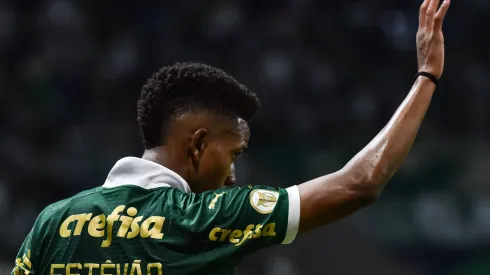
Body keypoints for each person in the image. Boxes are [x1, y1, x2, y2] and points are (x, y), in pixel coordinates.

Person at [12, 0, 450, 274]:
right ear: (198, 144)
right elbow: (360, 183)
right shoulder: (200, 219)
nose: (234, 175)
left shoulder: (54, 221)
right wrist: (427, 76)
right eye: (234, 153)